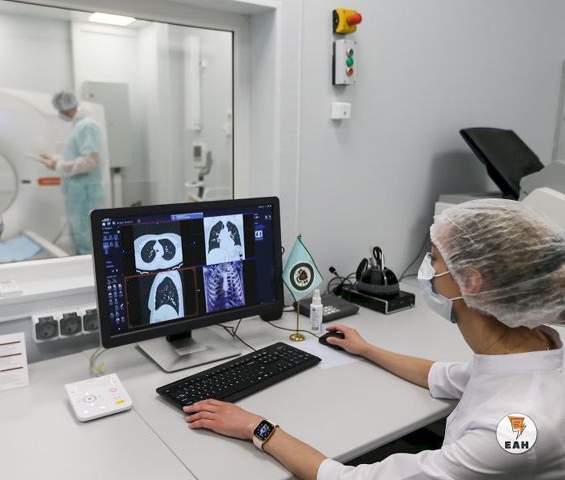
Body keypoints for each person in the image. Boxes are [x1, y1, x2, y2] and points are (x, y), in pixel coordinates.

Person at [182, 199, 565, 479]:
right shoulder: (530, 348)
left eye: (434, 258)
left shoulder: (512, 427)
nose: (426, 269)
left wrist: (256, 427)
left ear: (473, 281)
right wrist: (366, 349)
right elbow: (443, 376)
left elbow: (347, 479)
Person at [41, 90, 104, 254]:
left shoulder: (87, 126)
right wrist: (55, 160)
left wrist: (59, 166)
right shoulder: (78, 126)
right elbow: (76, 156)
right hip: (78, 192)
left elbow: (91, 161)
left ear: (63, 109)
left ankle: (89, 270)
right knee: (79, 237)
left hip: (86, 192)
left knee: (86, 239)